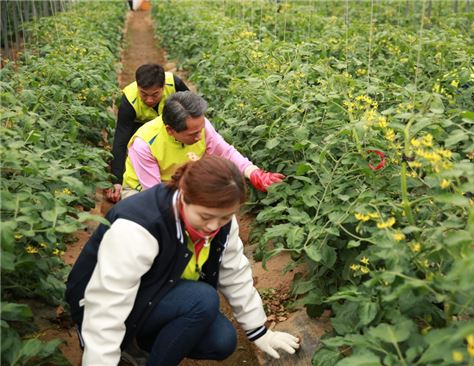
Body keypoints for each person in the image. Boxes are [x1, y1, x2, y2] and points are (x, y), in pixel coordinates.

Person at [65, 156, 300, 365]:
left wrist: (259, 331)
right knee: (202, 299)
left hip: (156, 291)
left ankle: (142, 343)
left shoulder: (222, 223)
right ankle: (126, 341)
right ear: (184, 196)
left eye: (225, 217)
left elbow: (235, 272)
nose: (213, 227)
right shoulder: (139, 226)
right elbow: (107, 301)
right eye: (205, 217)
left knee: (222, 341)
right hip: (98, 301)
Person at [120, 90, 284, 199]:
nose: (200, 136)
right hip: (142, 192)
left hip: (183, 185)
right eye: (193, 134)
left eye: (201, 129)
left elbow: (225, 152)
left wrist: (254, 173)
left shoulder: (200, 126)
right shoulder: (145, 144)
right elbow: (155, 194)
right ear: (171, 130)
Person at [107, 64, 190, 202]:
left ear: (163, 87)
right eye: (144, 94)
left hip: (169, 125)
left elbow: (192, 111)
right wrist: (117, 180)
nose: (149, 100)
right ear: (138, 86)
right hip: (139, 128)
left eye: (155, 94)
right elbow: (121, 140)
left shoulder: (175, 84)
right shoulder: (128, 99)